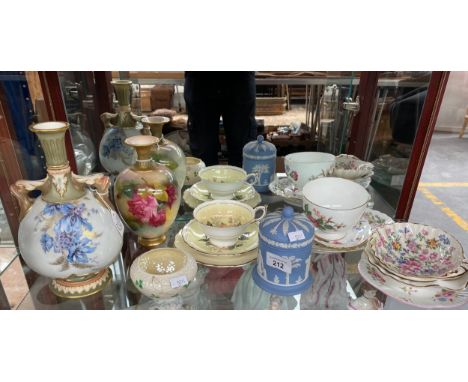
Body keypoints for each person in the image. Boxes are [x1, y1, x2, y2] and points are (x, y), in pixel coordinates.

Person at [184, 72, 257, 167]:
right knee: (203, 154)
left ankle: (243, 181)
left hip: (239, 79)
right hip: (200, 79)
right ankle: (206, 181)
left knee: (243, 152)